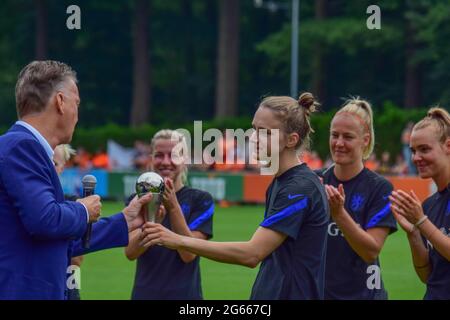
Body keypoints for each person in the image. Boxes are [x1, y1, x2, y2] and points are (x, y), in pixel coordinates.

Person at [140, 93, 329, 300]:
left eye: (265, 132)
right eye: (254, 129)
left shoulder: (299, 188)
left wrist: (179, 240)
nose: (253, 137)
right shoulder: (280, 182)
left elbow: (252, 254)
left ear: (291, 140)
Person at [0, 61, 152, 300]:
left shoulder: (24, 147)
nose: (78, 114)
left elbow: (59, 241)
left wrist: (125, 221)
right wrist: (82, 208)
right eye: (77, 103)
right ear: (60, 101)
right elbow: (45, 220)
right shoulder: (22, 146)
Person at [318, 98, 397, 300]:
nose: (339, 143)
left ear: (365, 140)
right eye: (334, 135)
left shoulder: (379, 187)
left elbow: (370, 251)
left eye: (348, 137)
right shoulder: (314, 181)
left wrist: (339, 214)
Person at [125, 129, 214, 300]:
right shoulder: (137, 199)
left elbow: (188, 255)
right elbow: (130, 253)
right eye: (159, 155)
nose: (166, 162)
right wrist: (151, 220)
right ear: (151, 158)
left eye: (173, 155)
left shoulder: (201, 199)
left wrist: (173, 207)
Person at [389, 107, 450, 300]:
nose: (416, 158)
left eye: (424, 149)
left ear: (448, 146)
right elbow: (427, 276)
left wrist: (421, 221)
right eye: (413, 151)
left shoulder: (423, 213)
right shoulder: (429, 204)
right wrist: (414, 234)